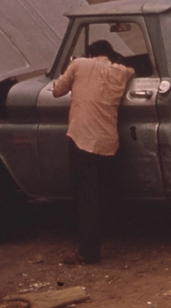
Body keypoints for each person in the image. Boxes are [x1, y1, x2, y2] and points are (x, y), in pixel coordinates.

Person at [51, 39, 135, 265]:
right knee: (103, 194)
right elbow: (130, 68)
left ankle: (88, 252)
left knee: (86, 197)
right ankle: (102, 239)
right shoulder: (122, 72)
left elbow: (57, 90)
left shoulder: (79, 64)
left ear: (89, 54)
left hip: (82, 138)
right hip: (108, 142)